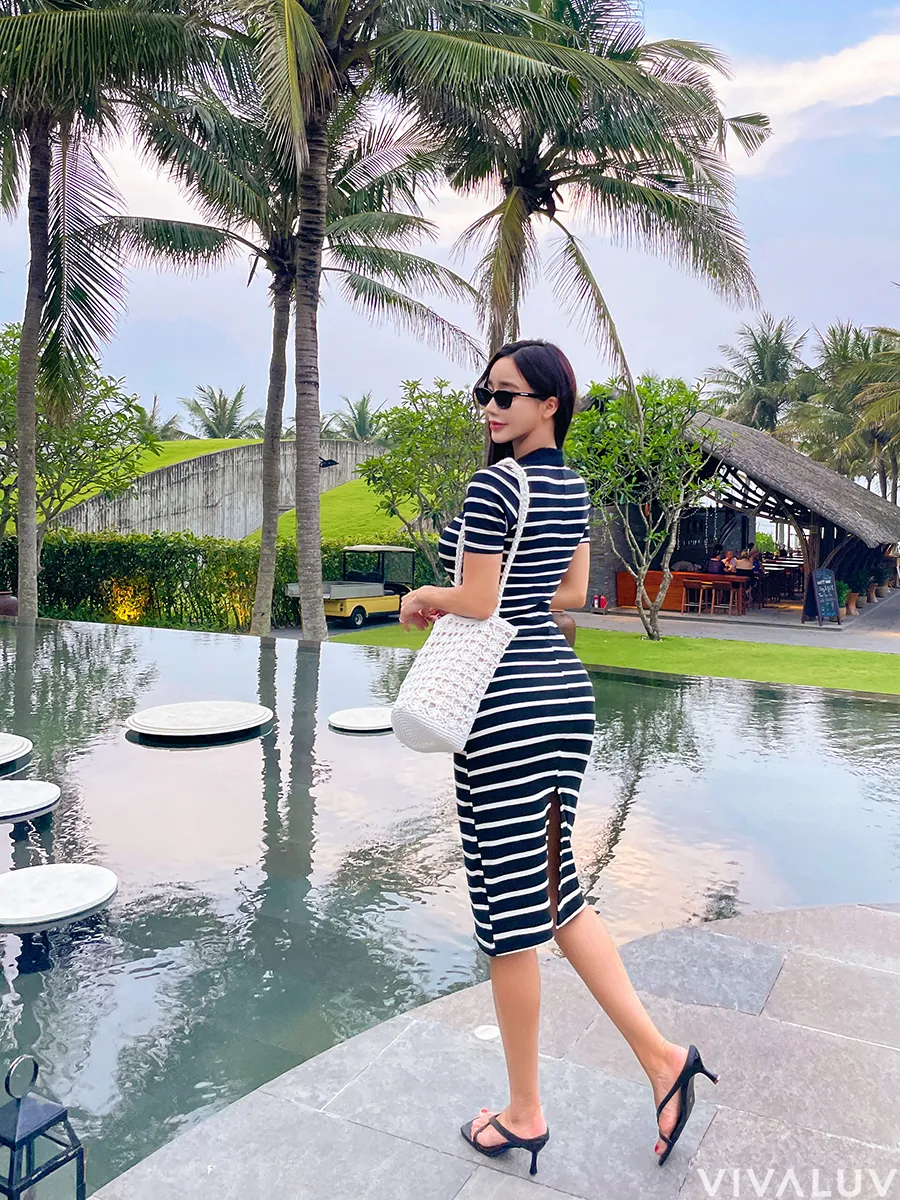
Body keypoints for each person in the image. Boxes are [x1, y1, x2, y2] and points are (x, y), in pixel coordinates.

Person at [400, 339, 716, 1176]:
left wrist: (425, 595)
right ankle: (664, 1061)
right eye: (486, 393)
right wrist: (497, 594)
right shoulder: (569, 488)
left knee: (509, 922)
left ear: (549, 405)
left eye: (506, 395)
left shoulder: (497, 485)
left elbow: (477, 600)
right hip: (564, 697)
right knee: (557, 893)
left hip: (505, 706)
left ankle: (524, 1113)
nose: (490, 407)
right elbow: (570, 593)